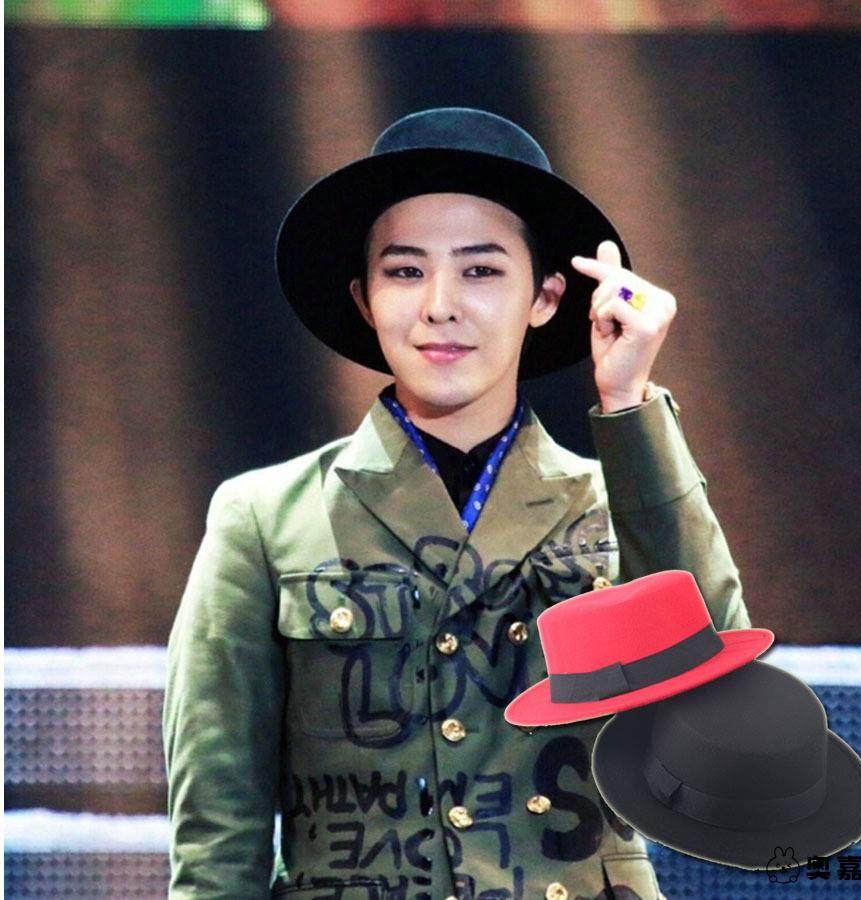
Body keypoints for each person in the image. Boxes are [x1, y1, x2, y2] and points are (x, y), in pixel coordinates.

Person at [162, 107, 753, 900]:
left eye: (481, 271)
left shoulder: (622, 504)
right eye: (405, 272)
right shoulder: (264, 518)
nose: (440, 305)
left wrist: (628, 403)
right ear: (364, 298)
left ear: (546, 296)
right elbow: (217, 833)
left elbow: (722, 707)